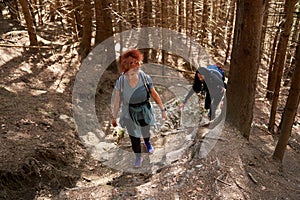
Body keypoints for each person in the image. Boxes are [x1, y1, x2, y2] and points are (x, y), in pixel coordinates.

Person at [112, 49, 168, 168]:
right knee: (133, 136)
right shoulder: (121, 81)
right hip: (129, 111)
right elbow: (117, 101)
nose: (131, 75)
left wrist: (163, 110)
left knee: (145, 130)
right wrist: (114, 117)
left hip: (144, 109)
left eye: (135, 68)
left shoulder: (144, 78)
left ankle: (147, 142)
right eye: (129, 73)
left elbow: (154, 94)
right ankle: (138, 156)